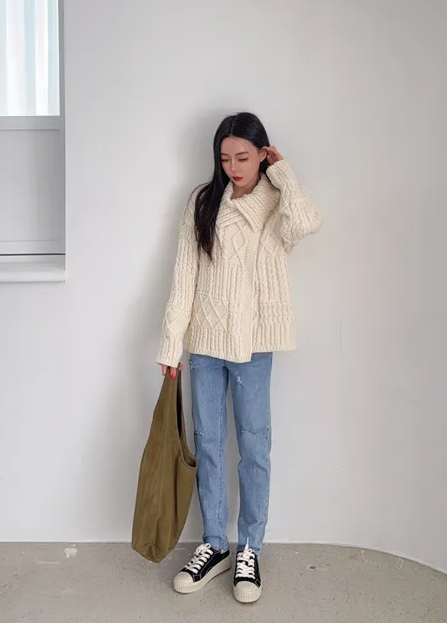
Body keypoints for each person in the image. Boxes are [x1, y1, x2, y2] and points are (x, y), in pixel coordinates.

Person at [157, 112, 321, 604]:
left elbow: (308, 223)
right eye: (226, 157)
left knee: (254, 448)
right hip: (205, 343)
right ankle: (214, 545)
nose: (233, 166)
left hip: (252, 345)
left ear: (262, 154)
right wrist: (170, 343)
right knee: (208, 444)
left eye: (244, 157)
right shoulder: (202, 202)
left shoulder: (278, 202)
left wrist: (283, 172)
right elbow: (184, 276)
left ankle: (250, 548)